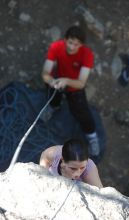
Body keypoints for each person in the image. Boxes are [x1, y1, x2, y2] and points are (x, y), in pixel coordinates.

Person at [41, 25, 99, 157]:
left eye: (76, 44)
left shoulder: (86, 54)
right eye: (70, 42)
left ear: (81, 45)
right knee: (53, 95)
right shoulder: (56, 47)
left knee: (82, 113)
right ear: (65, 39)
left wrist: (66, 81)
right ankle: (53, 106)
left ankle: (92, 136)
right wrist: (52, 82)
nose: (72, 47)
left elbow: (81, 83)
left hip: (74, 86)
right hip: (58, 81)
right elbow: (45, 73)